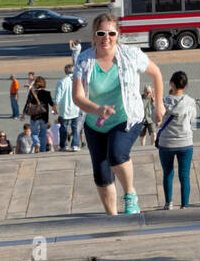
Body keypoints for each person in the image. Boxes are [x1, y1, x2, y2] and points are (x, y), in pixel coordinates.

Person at [71, 13, 166, 216]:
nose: (107, 37)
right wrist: (98, 109)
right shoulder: (84, 59)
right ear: (94, 36)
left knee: (116, 155)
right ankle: (112, 217)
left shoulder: (130, 55)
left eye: (111, 33)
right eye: (101, 33)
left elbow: (156, 73)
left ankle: (130, 194)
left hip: (126, 117)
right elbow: (77, 97)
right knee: (102, 175)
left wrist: (158, 105)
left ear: (118, 35)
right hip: (94, 123)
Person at [158, 72, 197, 209]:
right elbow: (194, 125)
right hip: (185, 142)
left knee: (167, 174)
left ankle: (168, 203)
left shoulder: (163, 101)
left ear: (172, 84)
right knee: (184, 176)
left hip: (166, 143)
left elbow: (156, 119)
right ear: (185, 85)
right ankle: (184, 205)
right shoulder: (191, 102)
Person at [53, 64, 82, 152]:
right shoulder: (78, 80)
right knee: (76, 127)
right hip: (76, 108)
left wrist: (54, 107)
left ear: (66, 71)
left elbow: (57, 98)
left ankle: (64, 145)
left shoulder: (62, 82)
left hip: (64, 109)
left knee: (63, 127)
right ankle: (75, 145)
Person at [24, 76, 54, 151]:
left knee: (34, 133)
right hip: (44, 116)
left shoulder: (32, 92)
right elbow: (51, 103)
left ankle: (37, 142)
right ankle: (42, 150)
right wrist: (55, 109)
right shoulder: (47, 93)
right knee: (43, 134)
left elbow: (27, 103)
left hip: (34, 116)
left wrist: (23, 114)